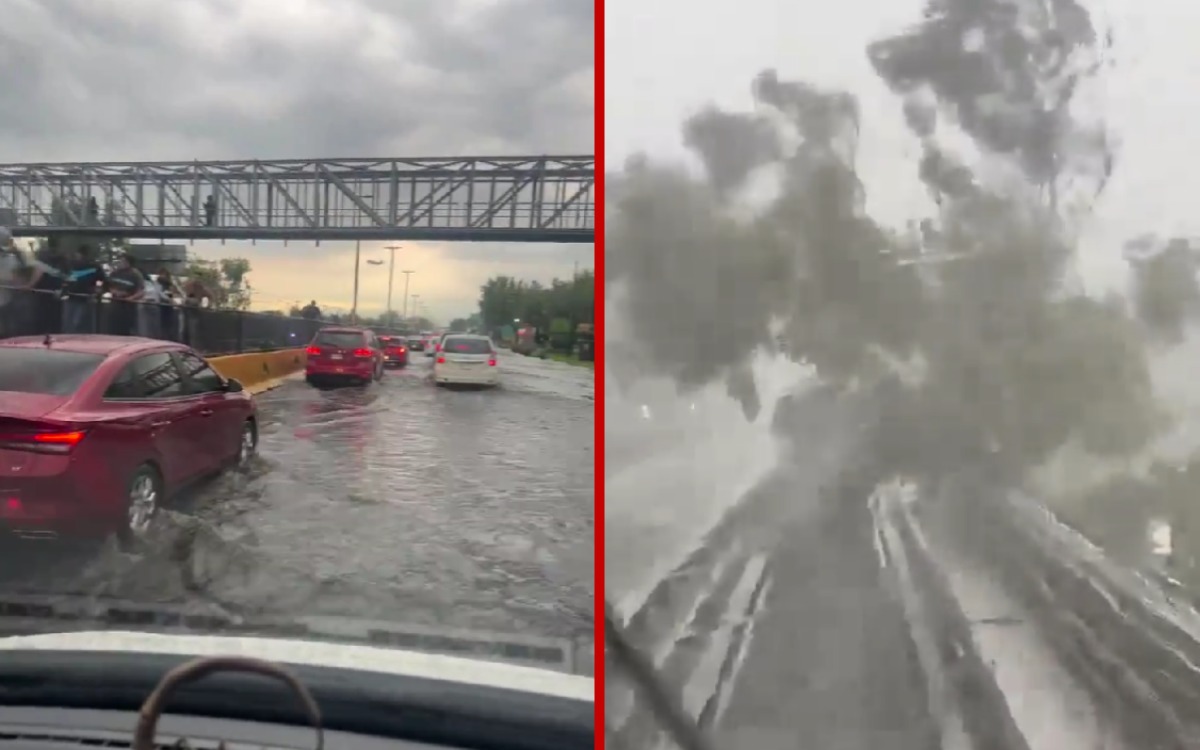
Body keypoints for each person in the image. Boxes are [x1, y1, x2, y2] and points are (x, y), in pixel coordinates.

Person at [62, 245, 107, 334]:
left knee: (75, 322)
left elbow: (102, 281)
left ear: (80, 254)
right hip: (76, 296)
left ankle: (74, 336)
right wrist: (98, 288)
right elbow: (102, 281)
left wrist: (97, 289)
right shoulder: (92, 266)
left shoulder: (74, 265)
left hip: (82, 297)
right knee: (73, 321)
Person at [107, 252, 145, 336]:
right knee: (113, 329)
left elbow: (141, 291)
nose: (120, 263)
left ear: (128, 263)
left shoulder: (136, 275)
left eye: (122, 261)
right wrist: (113, 291)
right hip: (115, 305)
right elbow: (108, 285)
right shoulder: (115, 273)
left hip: (128, 307)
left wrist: (131, 298)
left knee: (126, 331)